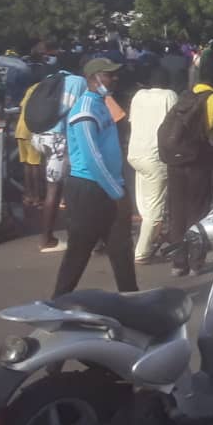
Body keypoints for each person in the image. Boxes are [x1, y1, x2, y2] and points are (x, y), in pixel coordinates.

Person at [52, 58, 138, 297]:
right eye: (108, 75)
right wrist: (117, 193)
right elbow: (92, 158)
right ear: (93, 79)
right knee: (79, 251)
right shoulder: (85, 110)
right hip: (88, 191)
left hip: (108, 186)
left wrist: (118, 187)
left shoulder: (102, 104)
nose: (114, 79)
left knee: (121, 249)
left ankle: (131, 298)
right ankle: (58, 302)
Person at [167, 56, 213, 275]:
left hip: (175, 160)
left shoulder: (185, 96)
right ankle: (196, 262)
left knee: (177, 212)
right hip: (199, 162)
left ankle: (178, 262)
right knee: (198, 212)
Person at [31, 55, 88, 252]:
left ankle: (67, 233)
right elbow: (81, 111)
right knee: (55, 189)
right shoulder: (79, 82)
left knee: (60, 184)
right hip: (58, 139)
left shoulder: (50, 80)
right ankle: (46, 240)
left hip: (40, 136)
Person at [127, 66, 178, 265]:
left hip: (135, 154)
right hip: (155, 157)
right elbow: (175, 124)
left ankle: (151, 238)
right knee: (155, 209)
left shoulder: (138, 96)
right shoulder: (169, 96)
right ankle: (143, 251)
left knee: (145, 203)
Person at [15, 82, 45, 209]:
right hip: (31, 131)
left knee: (27, 164)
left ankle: (28, 196)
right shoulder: (42, 92)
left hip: (20, 130)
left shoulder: (30, 90)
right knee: (35, 165)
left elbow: (21, 107)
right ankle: (37, 198)